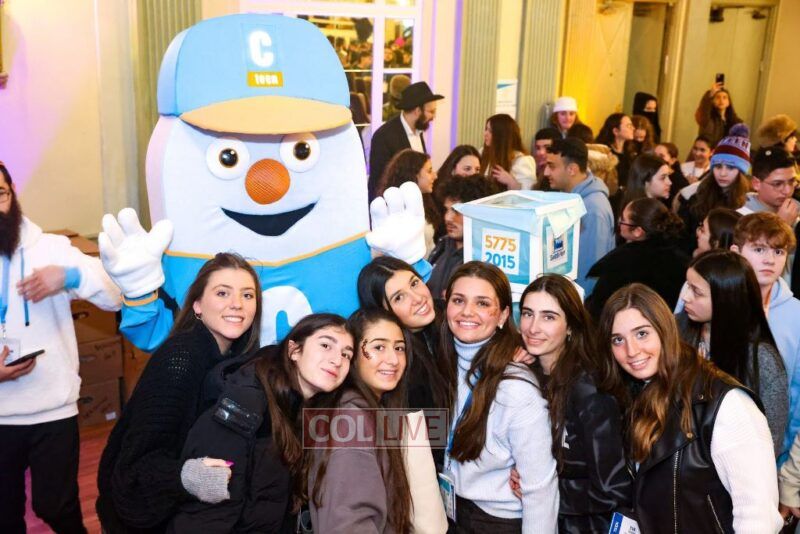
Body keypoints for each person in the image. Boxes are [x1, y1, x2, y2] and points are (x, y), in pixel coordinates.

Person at [96, 253, 262, 532]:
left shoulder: (234, 359)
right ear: (197, 305)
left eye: (248, 295)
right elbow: (136, 467)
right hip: (141, 519)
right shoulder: (182, 357)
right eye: (222, 293)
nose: (237, 304)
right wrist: (191, 476)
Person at [599, 283, 783, 532]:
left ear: (665, 330)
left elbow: (758, 517)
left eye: (642, 333)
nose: (631, 351)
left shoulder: (727, 404)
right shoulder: (634, 395)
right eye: (618, 340)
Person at [0, 162, 122, 534]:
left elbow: (115, 296)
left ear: (12, 194)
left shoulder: (50, 249)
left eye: (0, 194)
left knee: (57, 507)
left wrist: (71, 276)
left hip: (53, 408)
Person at [168, 313, 354, 533]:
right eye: (325, 345)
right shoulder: (246, 401)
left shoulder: (304, 412)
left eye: (346, 354)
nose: (337, 360)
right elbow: (209, 515)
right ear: (294, 350)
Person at [442, 261, 558, 532]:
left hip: (495, 521)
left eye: (482, 303)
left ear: (504, 315)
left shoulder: (515, 388)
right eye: (458, 300)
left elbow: (540, 488)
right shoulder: (445, 363)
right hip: (453, 510)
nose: (467, 311)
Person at [518, 275, 631, 532]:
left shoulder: (589, 391)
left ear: (570, 326)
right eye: (527, 314)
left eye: (548, 317)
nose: (533, 327)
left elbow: (613, 490)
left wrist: (541, 490)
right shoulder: (527, 374)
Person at [306, 308, 414, 533]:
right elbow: (349, 524)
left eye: (399, 348)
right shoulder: (350, 420)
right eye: (378, 347)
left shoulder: (368, 411)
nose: (393, 359)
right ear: (353, 356)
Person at [677, 250, 788, 456]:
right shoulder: (677, 331)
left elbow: (771, 439)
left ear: (726, 299)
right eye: (687, 286)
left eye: (696, 292)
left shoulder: (761, 359)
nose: (685, 297)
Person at [730, 212, 800, 463]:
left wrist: (787, 464)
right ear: (736, 252)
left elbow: (797, 396)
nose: (769, 260)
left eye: (779, 252)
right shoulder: (712, 299)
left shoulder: (796, 314)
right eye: (759, 249)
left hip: (774, 453)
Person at [357, 256, 451, 415]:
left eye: (414, 283)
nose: (418, 298)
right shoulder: (396, 364)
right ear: (383, 313)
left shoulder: (449, 315)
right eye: (399, 298)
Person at [585, 198, 688, 317]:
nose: (619, 222)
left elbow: (599, 306)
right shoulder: (681, 257)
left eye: (623, 220)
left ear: (638, 231)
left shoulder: (622, 261)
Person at [544, 137, 615, 294]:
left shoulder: (592, 209)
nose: (546, 172)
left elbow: (589, 273)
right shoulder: (573, 198)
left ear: (572, 169)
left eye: (551, 166)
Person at [676, 124, 751, 252]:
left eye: (731, 167)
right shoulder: (696, 196)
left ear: (741, 172)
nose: (722, 173)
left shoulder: (748, 203)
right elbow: (681, 237)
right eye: (718, 166)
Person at [369, 81, 444, 201]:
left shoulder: (418, 132)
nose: (433, 117)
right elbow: (379, 181)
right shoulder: (384, 136)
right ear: (417, 111)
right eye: (431, 111)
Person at [428, 174, 497, 299]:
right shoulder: (442, 245)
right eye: (447, 210)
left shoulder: (486, 255)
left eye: (457, 211)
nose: (448, 218)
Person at [378, 148, 439, 253]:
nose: (435, 176)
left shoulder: (426, 200)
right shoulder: (395, 210)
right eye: (429, 171)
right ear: (413, 174)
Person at [741, 147, 799, 228]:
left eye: (791, 181)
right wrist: (782, 224)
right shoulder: (741, 216)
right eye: (777, 184)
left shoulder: (796, 206)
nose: (788, 191)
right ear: (756, 183)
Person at [481, 114, 536, 190]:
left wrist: (511, 182)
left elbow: (529, 193)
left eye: (490, 131)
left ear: (502, 135)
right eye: (486, 129)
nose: (485, 134)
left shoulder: (522, 160)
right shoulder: (483, 152)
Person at [695, 81, 743, 148]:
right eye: (718, 97)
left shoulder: (734, 122)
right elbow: (703, 110)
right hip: (707, 152)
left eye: (724, 97)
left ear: (728, 102)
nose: (721, 100)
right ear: (712, 101)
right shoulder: (707, 118)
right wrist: (710, 94)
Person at [595, 113, 635, 191]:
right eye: (629, 126)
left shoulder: (630, 152)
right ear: (616, 131)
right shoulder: (604, 153)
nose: (633, 128)